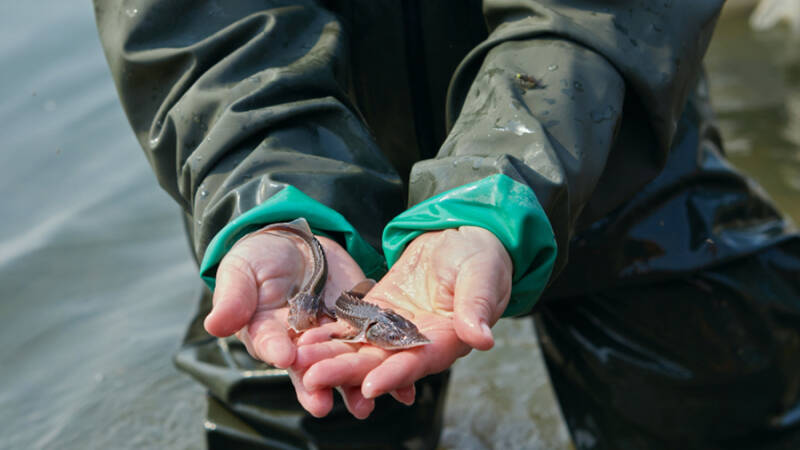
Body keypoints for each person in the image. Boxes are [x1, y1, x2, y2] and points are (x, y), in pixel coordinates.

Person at [94, 1, 800, 448]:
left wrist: (500, 186)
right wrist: (271, 195)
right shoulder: (335, 297)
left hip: (599, 120)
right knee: (293, 405)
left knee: (731, 387)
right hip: (326, 161)